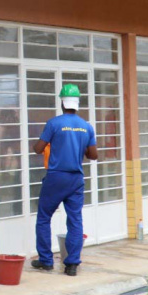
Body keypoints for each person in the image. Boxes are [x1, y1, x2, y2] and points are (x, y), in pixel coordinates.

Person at [31, 84, 98, 277]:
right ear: (77, 104)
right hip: (76, 179)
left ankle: (46, 260)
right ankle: (72, 265)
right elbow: (93, 155)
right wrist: (80, 146)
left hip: (56, 177)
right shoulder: (87, 126)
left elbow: (38, 148)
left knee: (44, 217)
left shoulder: (54, 123)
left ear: (62, 102)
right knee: (75, 220)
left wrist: (37, 144)